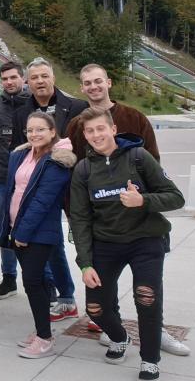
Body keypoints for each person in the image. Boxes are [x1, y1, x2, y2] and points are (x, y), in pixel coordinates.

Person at [65, 64, 186, 354]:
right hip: (102, 225)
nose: (93, 87)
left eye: (98, 81)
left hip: (141, 223)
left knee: (147, 291)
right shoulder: (75, 124)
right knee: (102, 295)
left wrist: (141, 198)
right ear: (81, 88)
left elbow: (156, 170)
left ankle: (156, 333)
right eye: (87, 83)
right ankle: (116, 332)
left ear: (109, 82)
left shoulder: (134, 117)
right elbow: (76, 168)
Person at [0, 112, 76, 359]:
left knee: (32, 283)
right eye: (30, 130)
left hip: (38, 232)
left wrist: (22, 233)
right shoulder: (22, 155)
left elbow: (42, 202)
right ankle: (42, 330)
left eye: (40, 129)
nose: (34, 134)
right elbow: (13, 192)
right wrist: (9, 228)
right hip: (18, 229)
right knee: (35, 283)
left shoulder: (57, 161)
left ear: (52, 132)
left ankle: (45, 338)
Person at [9, 58, 80, 316]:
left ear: (53, 77)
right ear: (28, 81)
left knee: (79, 247)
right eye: (35, 77)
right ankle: (58, 295)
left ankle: (92, 303)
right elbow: (24, 148)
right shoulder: (21, 113)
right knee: (50, 244)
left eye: (44, 76)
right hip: (36, 186)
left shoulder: (75, 107)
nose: (40, 81)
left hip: (70, 186)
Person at [0, 61, 31, 300]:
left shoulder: (34, 105)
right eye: (5, 78)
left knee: (32, 229)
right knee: (5, 229)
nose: (9, 82)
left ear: (22, 78)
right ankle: (9, 278)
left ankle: (43, 279)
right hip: (3, 180)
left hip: (32, 181)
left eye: (13, 77)